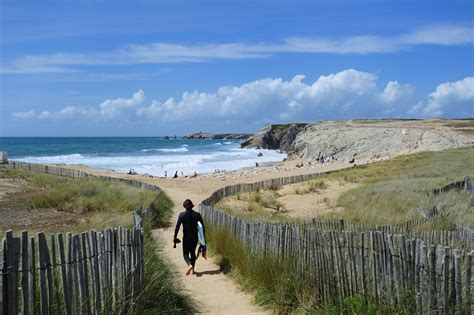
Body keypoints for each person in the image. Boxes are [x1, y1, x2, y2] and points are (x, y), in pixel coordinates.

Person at [174, 199, 205, 275]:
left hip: (186, 238)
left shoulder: (182, 215)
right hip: (194, 237)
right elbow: (202, 228)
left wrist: (175, 237)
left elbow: (177, 227)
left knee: (185, 254)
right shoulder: (197, 215)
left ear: (184, 206)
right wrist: (203, 240)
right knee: (193, 253)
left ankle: (189, 265)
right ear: (192, 206)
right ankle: (193, 270)